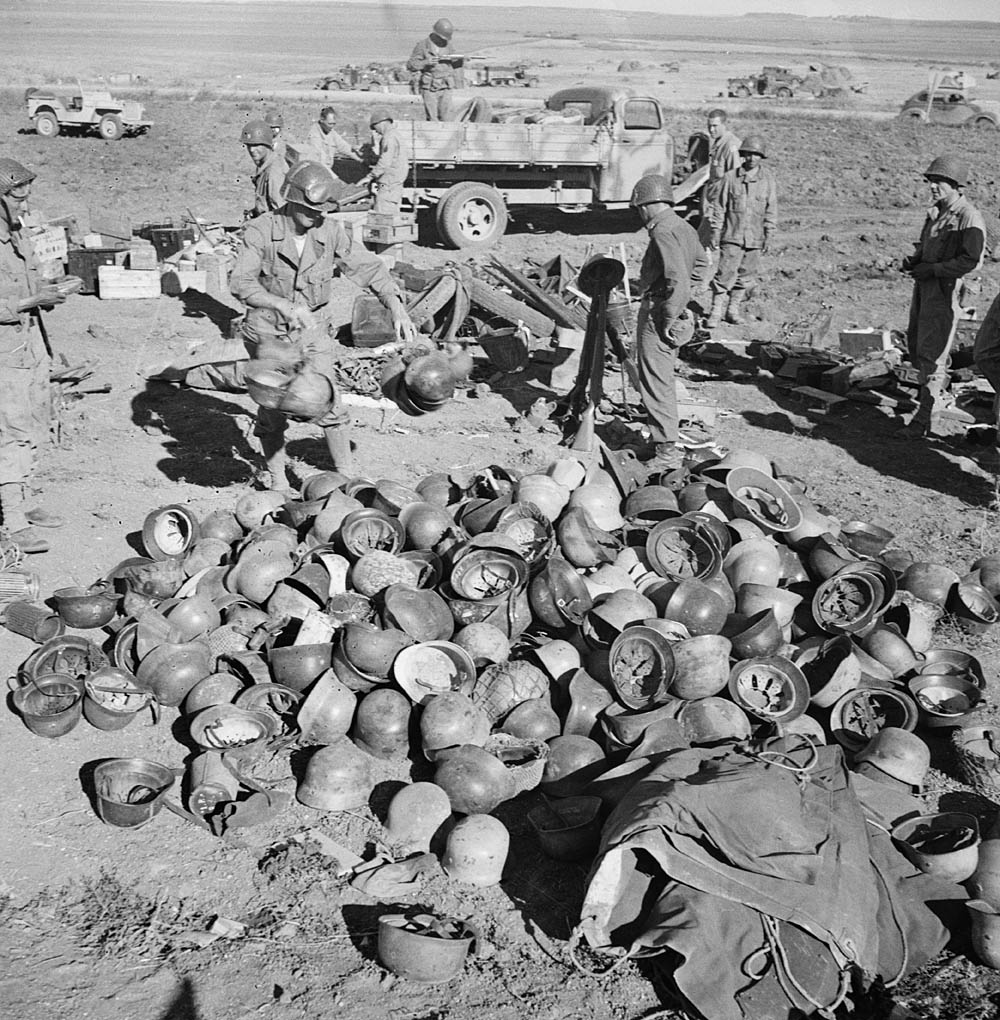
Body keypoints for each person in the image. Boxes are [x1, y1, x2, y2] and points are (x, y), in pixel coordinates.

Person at [181, 162, 416, 487]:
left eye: (322, 210)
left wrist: (396, 306)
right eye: (310, 210)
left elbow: (369, 268)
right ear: (292, 199)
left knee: (330, 402)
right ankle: (277, 479)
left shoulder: (330, 231)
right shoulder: (262, 230)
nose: (316, 216)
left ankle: (347, 479)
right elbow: (240, 283)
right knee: (274, 406)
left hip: (314, 329)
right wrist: (282, 304)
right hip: (270, 330)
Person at [0, 159, 67, 554]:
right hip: (5, 350)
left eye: (27, 194)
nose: (24, 203)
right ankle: (11, 520)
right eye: (15, 195)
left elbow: (31, 280)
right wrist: (30, 300)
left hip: (29, 345)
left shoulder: (16, 234)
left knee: (35, 422)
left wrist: (50, 291)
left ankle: (22, 499)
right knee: (11, 430)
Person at [902, 155, 985, 438]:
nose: (933, 187)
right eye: (931, 181)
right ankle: (928, 404)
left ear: (956, 185)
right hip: (925, 287)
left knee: (933, 352)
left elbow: (971, 260)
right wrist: (915, 261)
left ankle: (924, 419)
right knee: (917, 344)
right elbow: (928, 247)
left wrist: (934, 269)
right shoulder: (936, 213)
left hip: (946, 290)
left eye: (939, 182)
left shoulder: (968, 216)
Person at [630, 174, 709, 472]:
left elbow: (676, 277)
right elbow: (701, 265)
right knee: (660, 380)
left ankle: (666, 451)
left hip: (659, 311)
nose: (639, 214)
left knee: (655, 382)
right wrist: (685, 298)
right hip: (670, 305)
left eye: (638, 208)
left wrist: (669, 312)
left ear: (647, 205)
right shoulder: (683, 226)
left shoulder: (662, 230)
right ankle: (660, 441)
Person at [706, 134, 777, 328]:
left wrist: (769, 234)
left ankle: (732, 311)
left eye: (756, 155)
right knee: (724, 274)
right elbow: (720, 207)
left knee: (745, 276)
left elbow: (771, 209)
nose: (752, 158)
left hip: (755, 238)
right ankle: (715, 312)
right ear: (743, 155)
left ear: (761, 157)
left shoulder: (767, 180)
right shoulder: (730, 178)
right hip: (732, 235)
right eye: (749, 154)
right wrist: (715, 231)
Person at [694, 109, 741, 290]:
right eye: (709, 126)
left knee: (704, 244)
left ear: (724, 124)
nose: (711, 130)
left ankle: (702, 284)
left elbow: (734, 181)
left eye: (715, 126)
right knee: (704, 245)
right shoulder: (718, 145)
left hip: (722, 206)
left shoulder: (731, 146)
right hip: (713, 203)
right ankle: (702, 283)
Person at [407, 18, 458, 121]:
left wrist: (459, 60)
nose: (443, 41)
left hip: (446, 86)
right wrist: (426, 62)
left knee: (447, 118)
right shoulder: (422, 46)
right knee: (432, 118)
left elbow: (455, 63)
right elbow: (411, 65)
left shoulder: (448, 46)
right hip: (430, 88)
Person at [357, 109, 408, 214]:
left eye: (374, 127)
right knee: (392, 216)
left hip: (389, 183)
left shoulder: (388, 137)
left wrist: (369, 177)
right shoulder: (396, 135)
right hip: (394, 182)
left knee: (383, 216)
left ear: (380, 123)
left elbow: (385, 162)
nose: (375, 131)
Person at [242, 118, 288, 220]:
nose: (252, 150)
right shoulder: (263, 165)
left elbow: (280, 214)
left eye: (256, 145)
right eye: (249, 145)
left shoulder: (275, 171)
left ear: (267, 144)